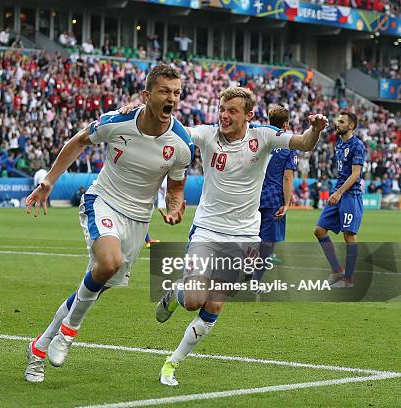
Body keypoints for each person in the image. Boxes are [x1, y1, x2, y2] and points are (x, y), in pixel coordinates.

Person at [24, 64, 194, 383]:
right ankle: (68, 332)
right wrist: (48, 180)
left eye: (177, 93)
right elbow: (78, 141)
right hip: (103, 200)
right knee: (108, 262)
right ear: (146, 95)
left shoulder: (182, 143)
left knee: (96, 284)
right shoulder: (118, 121)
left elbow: (175, 190)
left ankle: (40, 346)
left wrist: (174, 210)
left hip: (138, 220)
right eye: (164, 91)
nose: (172, 98)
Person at [150, 87, 327, 386]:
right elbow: (171, 129)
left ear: (249, 115)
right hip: (207, 229)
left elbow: (304, 143)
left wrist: (316, 129)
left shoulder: (264, 137)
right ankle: (176, 293)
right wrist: (148, 111)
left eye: (232, 110)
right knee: (193, 300)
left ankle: (172, 363)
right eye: (222, 108)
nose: (224, 115)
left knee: (214, 304)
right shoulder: (206, 135)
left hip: (243, 237)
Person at [314, 112, 365, 289]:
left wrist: (339, 193)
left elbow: (356, 174)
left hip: (350, 195)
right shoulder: (339, 144)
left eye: (342, 122)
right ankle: (337, 270)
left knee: (349, 235)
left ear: (351, 126)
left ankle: (348, 280)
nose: (338, 124)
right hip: (339, 191)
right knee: (319, 230)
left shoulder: (357, 145)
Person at [252, 105, 298, 286]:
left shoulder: (260, 139)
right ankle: (256, 281)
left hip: (253, 195)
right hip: (273, 198)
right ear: (285, 125)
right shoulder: (288, 145)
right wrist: (287, 203)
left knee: (248, 236)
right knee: (268, 241)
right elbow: (288, 177)